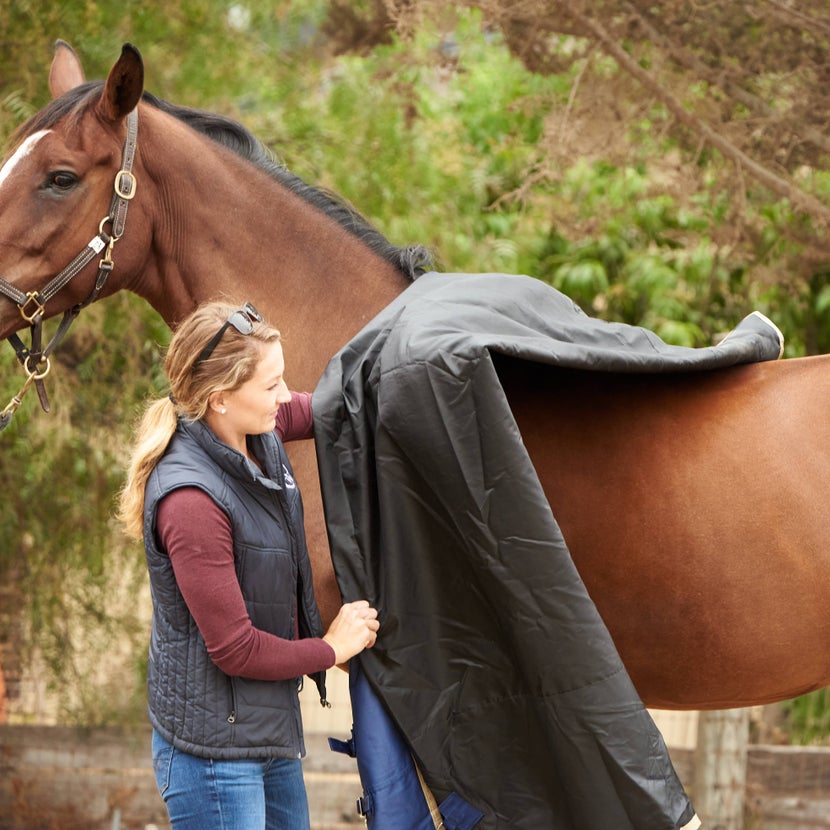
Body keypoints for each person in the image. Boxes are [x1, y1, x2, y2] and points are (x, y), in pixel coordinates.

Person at [118, 300, 379, 830]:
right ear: (219, 398)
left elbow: (330, 408)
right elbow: (234, 648)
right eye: (270, 386)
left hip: (264, 731)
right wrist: (332, 648)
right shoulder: (189, 500)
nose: (284, 398)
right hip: (212, 756)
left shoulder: (254, 430)